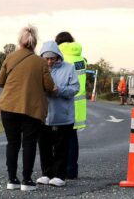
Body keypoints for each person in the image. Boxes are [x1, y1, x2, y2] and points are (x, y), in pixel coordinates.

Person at [0, 25, 55, 191]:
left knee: (12, 143)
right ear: (34, 43)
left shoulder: (10, 57)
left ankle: (12, 180)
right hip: (31, 109)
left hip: (8, 107)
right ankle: (26, 180)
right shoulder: (41, 62)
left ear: (20, 42)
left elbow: (0, 82)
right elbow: (49, 86)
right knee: (28, 143)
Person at [36, 41, 80, 187]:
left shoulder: (69, 68)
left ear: (58, 57)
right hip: (43, 115)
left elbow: (75, 88)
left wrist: (58, 90)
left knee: (62, 147)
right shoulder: (37, 68)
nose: (49, 61)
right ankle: (46, 174)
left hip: (63, 116)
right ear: (41, 57)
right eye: (46, 58)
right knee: (44, 146)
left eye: (52, 58)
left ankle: (60, 175)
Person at [55, 31, 87, 179]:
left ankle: (60, 170)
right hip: (79, 104)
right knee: (72, 138)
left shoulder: (61, 59)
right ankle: (72, 170)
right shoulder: (81, 59)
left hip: (64, 102)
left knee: (60, 138)